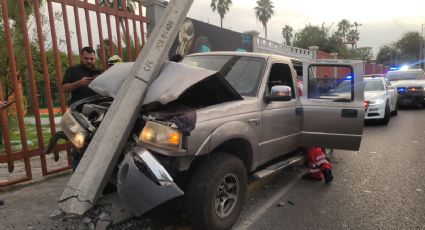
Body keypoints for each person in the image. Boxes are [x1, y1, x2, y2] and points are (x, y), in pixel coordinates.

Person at [62, 46, 102, 171]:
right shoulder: (72, 71)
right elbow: (64, 88)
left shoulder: (100, 72)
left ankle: (96, 169)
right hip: (78, 115)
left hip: (98, 113)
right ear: (81, 57)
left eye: (92, 59)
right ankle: (77, 172)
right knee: (79, 144)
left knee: (98, 144)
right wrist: (79, 83)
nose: (89, 61)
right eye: (86, 58)